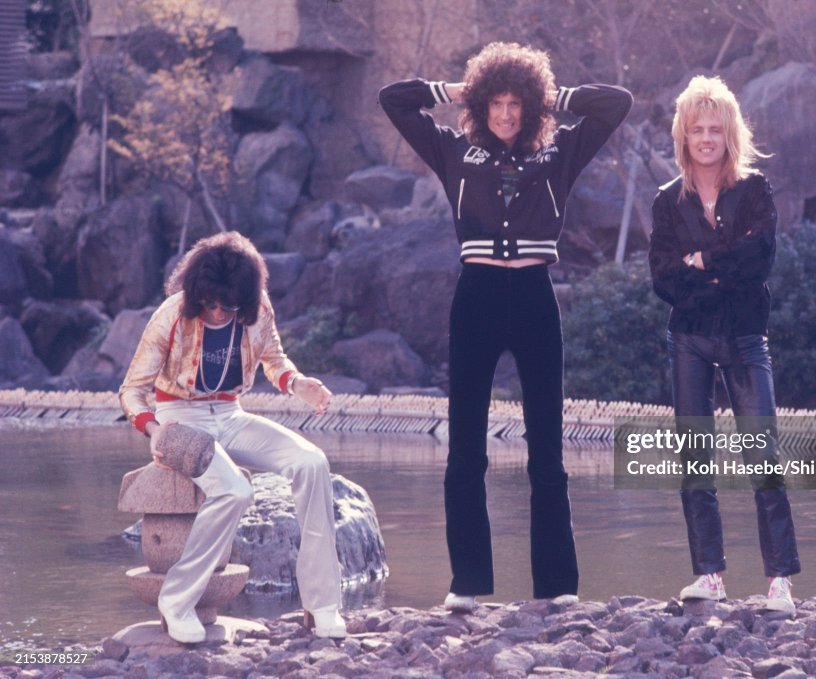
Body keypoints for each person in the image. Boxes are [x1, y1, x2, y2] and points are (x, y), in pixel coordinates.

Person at [379, 42, 631, 611]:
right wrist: (456, 90)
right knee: (466, 450)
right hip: (478, 297)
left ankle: (557, 587)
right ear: (482, 106)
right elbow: (393, 100)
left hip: (536, 297)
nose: (507, 114)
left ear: (531, 107)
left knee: (548, 451)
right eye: (496, 102)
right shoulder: (453, 150)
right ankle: (466, 583)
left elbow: (617, 102)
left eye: (517, 103)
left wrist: (552, 96)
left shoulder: (559, 151)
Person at [119, 231, 347, 642]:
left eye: (230, 306)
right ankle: (177, 602)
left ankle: (322, 605)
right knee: (234, 490)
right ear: (198, 293)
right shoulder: (172, 314)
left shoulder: (257, 308)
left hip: (230, 413)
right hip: (178, 419)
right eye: (211, 304)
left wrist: (298, 384)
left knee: (312, 463)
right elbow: (131, 390)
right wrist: (153, 429)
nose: (220, 313)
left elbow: (274, 360)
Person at [649, 75, 800, 614]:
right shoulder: (667, 200)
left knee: (763, 456)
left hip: (744, 335)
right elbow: (665, 278)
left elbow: (760, 260)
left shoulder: (755, 189)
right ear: (683, 136)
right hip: (688, 338)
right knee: (695, 458)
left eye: (715, 129)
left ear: (730, 133)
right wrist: (721, 270)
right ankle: (710, 575)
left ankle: (779, 581)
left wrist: (705, 262)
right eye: (697, 130)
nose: (706, 139)